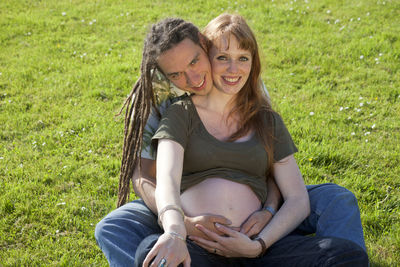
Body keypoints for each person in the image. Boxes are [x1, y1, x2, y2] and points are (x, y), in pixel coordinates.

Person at [95, 15, 368, 266]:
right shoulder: (169, 107)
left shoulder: (253, 98)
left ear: (204, 47)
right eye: (176, 74)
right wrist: (179, 227)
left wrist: (266, 223)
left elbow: (284, 180)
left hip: (259, 239)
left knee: (344, 246)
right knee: (141, 244)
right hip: (196, 238)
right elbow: (155, 177)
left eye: (194, 62)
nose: (191, 78)